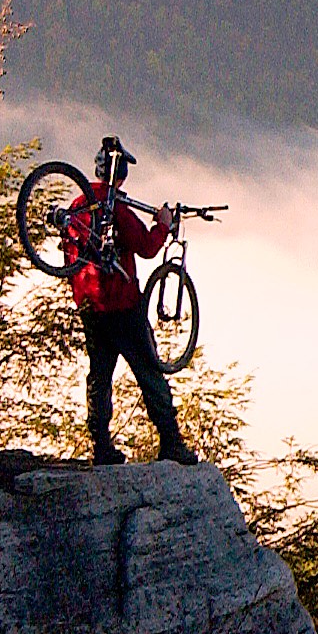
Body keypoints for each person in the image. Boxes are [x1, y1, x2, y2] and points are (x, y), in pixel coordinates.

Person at [61, 136, 196, 467]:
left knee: (99, 376)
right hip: (123, 306)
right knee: (149, 372)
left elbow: (67, 258)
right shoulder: (117, 210)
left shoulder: (78, 206)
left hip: (90, 307)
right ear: (121, 176)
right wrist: (162, 225)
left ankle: (101, 447)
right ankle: (171, 442)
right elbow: (147, 247)